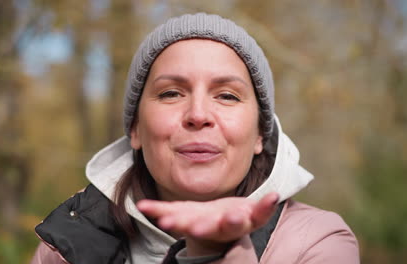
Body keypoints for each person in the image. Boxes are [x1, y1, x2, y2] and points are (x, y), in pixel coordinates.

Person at [30, 13, 359, 264]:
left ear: (260, 134)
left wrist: (214, 252)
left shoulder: (318, 242)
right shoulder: (67, 239)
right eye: (171, 93)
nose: (198, 114)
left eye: (227, 96)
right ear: (136, 130)